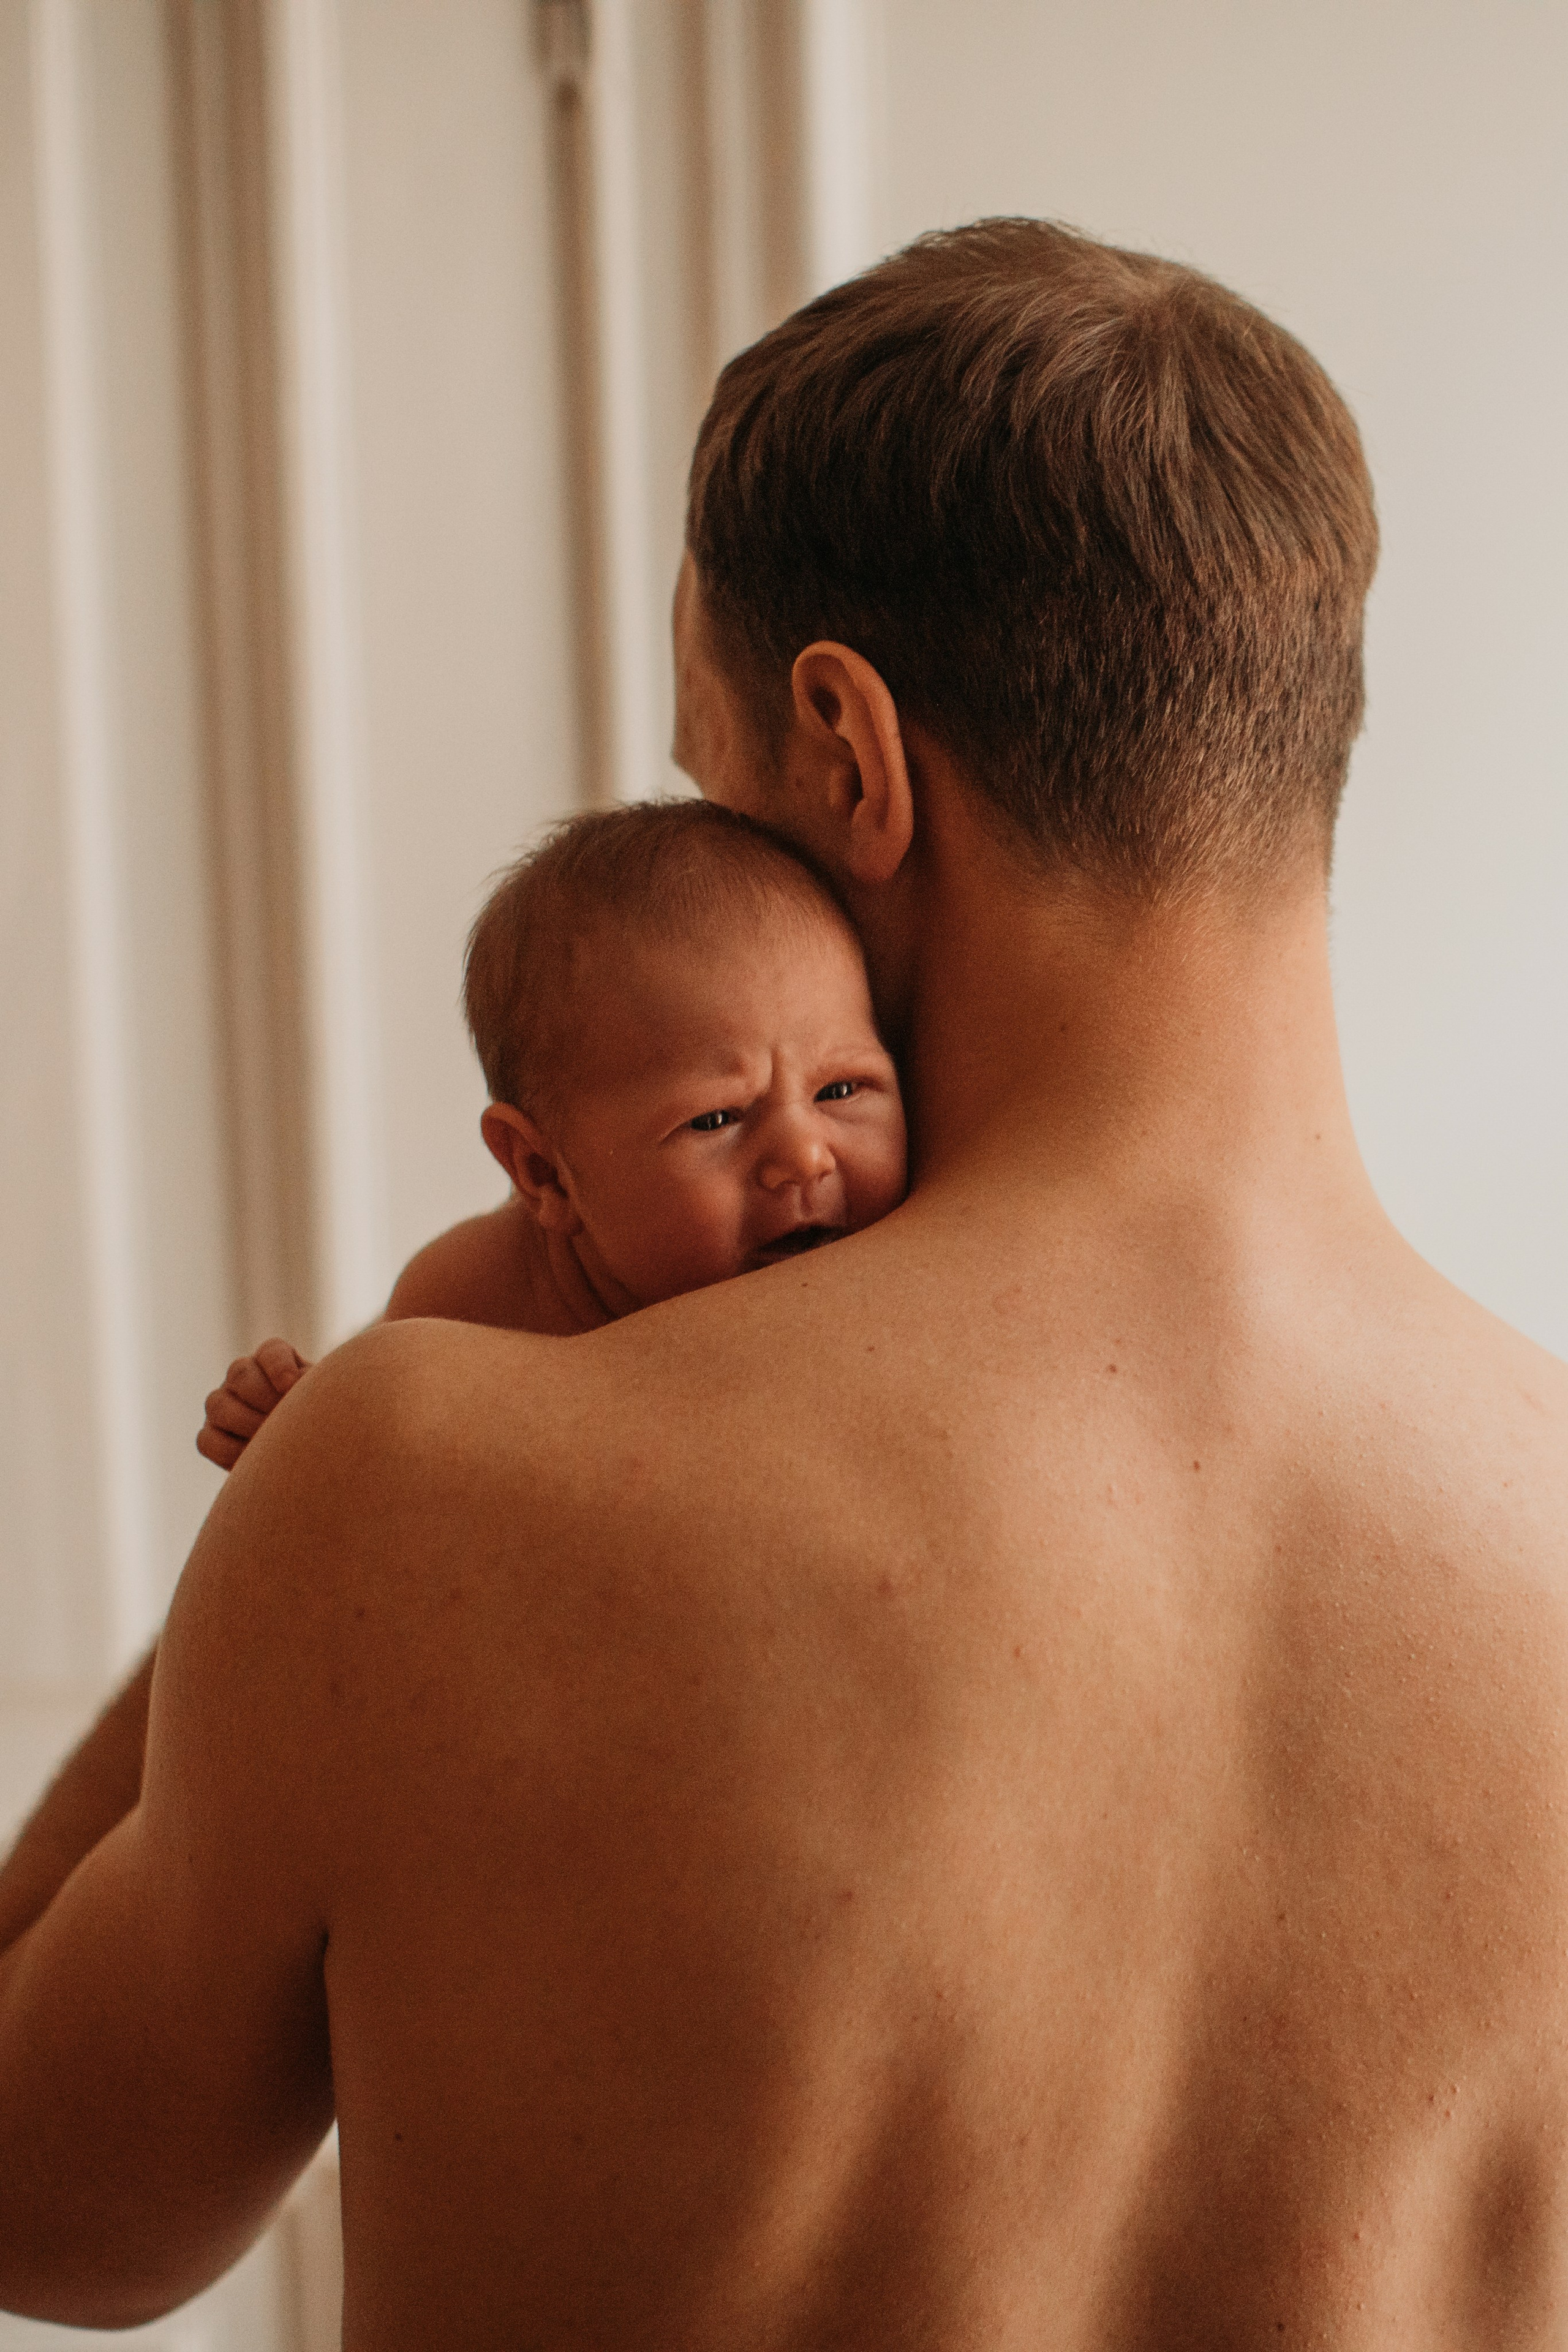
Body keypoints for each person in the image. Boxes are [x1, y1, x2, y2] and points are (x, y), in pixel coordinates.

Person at [3, 217, 1567, 2344]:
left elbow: (49, 2211)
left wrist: (292, 1507)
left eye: (708, 770)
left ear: (846, 750)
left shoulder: (432, 1489)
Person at [195, 799, 908, 1470]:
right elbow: (398, 1470)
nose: (805, 1157)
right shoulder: (476, 1306)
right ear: (545, 1174)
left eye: (840, 1090)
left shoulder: (896, 1263)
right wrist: (304, 1427)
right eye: (715, 1120)